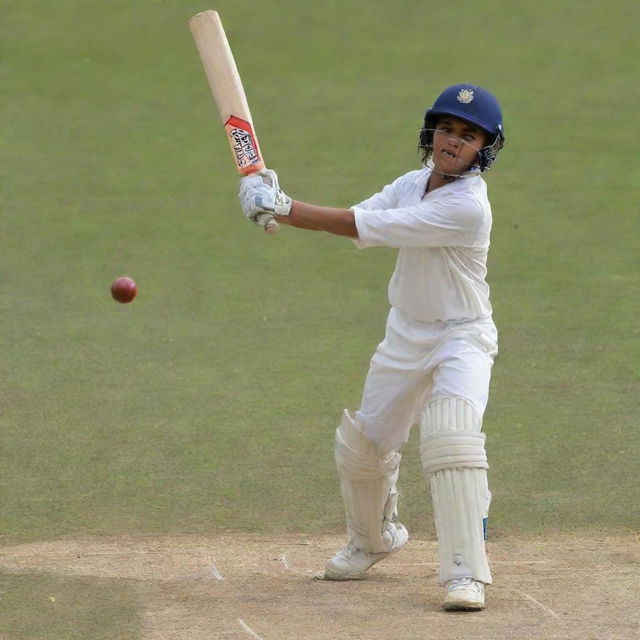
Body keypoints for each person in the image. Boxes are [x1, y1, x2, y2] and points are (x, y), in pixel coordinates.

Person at [238, 84, 505, 611]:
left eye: (467, 135)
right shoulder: (411, 184)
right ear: (431, 133)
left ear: (484, 148)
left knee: (451, 436)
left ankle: (464, 573)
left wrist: (285, 205)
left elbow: (361, 226)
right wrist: (280, 207)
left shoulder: (468, 208)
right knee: (364, 448)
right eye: (447, 129)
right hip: (406, 332)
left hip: (461, 336)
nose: (453, 141)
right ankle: (373, 539)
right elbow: (353, 218)